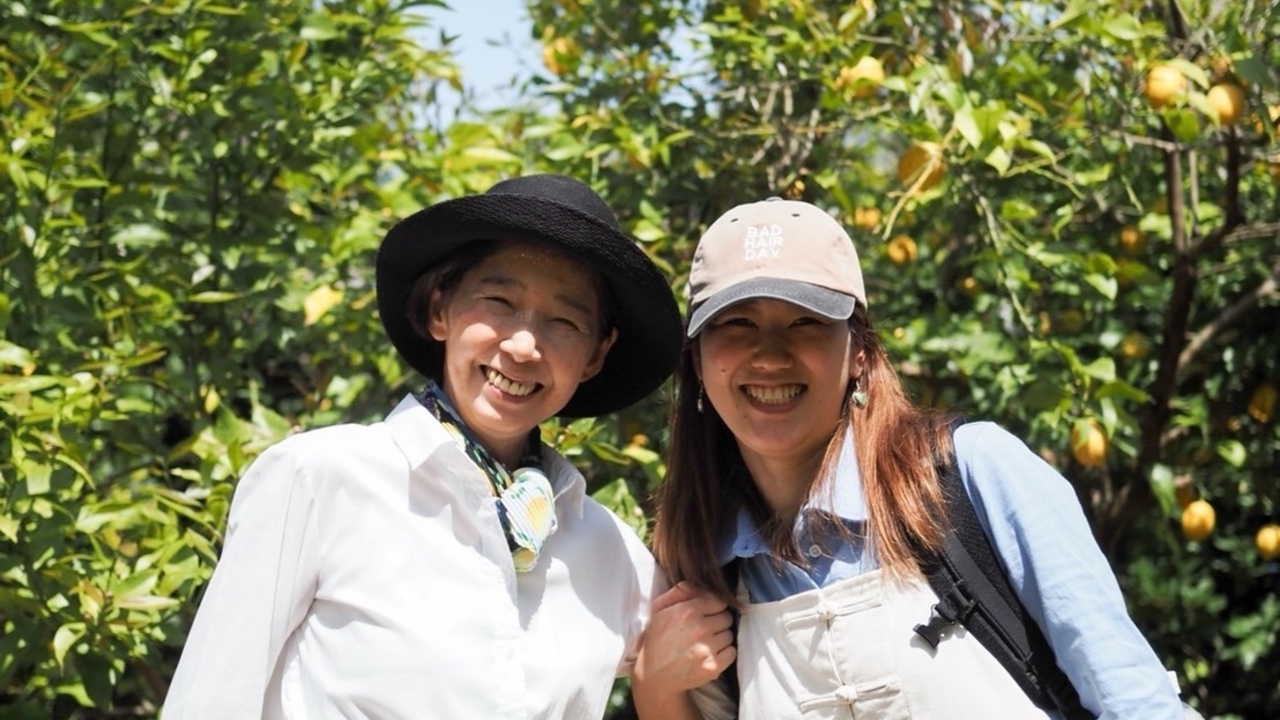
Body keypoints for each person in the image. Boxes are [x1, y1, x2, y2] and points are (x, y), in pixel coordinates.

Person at [634, 197, 1188, 719]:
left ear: (860, 353)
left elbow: (1135, 702)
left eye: (805, 320)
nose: (770, 353)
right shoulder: (699, 567)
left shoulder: (969, 474)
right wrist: (654, 686)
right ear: (698, 363)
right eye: (738, 323)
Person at [162, 174, 688, 719]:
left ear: (596, 355)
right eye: (499, 301)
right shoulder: (319, 480)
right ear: (441, 309)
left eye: (565, 321)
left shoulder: (608, 549)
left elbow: (712, 660)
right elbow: (211, 699)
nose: (524, 344)